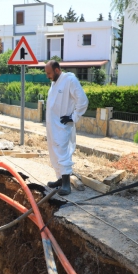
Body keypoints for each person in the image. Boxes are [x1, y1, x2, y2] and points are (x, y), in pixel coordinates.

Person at [44, 61, 89, 196]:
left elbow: (83, 100)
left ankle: (66, 184)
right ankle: (60, 179)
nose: (47, 76)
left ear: (57, 70)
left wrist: (73, 117)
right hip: (52, 126)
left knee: (62, 153)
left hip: (62, 126)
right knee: (54, 152)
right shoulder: (54, 83)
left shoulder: (70, 80)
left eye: (49, 73)